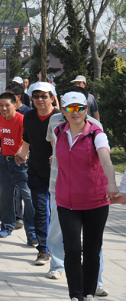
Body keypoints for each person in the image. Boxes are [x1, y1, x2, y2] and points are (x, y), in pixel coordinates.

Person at [52, 91, 118, 301]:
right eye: (70, 108)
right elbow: (57, 162)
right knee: (71, 248)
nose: (75, 112)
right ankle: (76, 295)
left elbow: (106, 160)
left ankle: (88, 292)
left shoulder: (96, 134)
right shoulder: (58, 132)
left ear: (86, 110)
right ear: (64, 111)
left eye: (79, 108)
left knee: (92, 249)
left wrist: (112, 183)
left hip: (95, 201)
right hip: (66, 202)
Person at [15, 82, 58, 264]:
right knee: (40, 210)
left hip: (59, 174)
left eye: (44, 96)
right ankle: (43, 249)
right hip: (36, 170)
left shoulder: (59, 118)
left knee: (58, 214)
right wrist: (22, 153)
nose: (40, 100)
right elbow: (27, 138)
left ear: (53, 98)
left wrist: (57, 156)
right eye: (36, 96)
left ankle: (63, 247)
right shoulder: (30, 116)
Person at [0, 92, 35, 241]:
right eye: (1, 105)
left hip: (20, 164)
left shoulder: (22, 120)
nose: (4, 108)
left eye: (7, 105)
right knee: (4, 196)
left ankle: (33, 233)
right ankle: (6, 226)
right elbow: (0, 136)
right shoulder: (0, 118)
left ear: (15, 105)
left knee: (28, 197)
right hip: (5, 163)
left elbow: (29, 139)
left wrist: (23, 152)